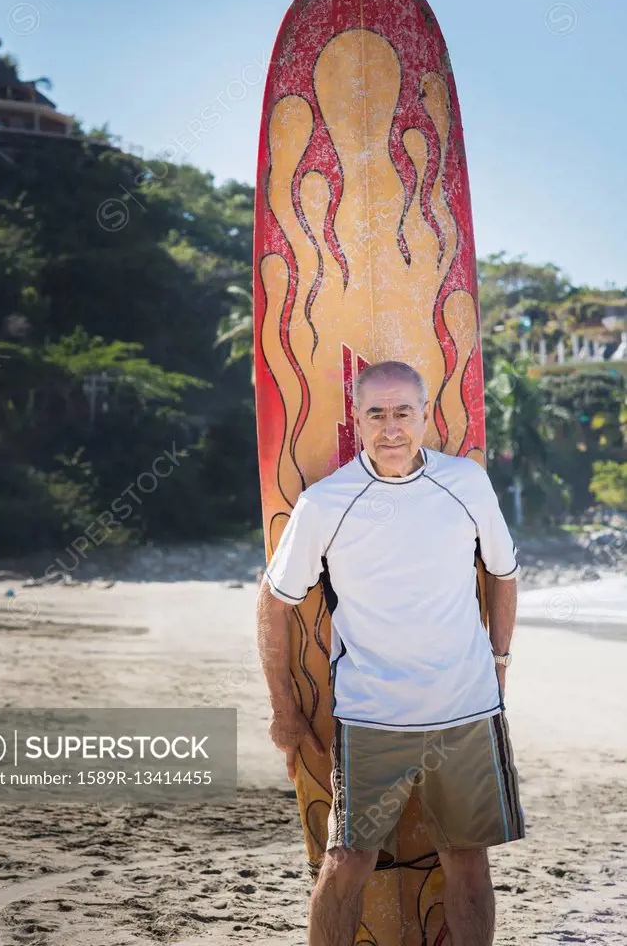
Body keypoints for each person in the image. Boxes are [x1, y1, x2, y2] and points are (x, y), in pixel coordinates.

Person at [256, 360, 524, 946]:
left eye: (404, 411)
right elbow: (275, 600)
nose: (391, 427)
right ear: (357, 419)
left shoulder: (467, 483)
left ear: (425, 415)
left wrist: (499, 664)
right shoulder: (327, 503)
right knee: (347, 862)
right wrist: (284, 708)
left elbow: (503, 573)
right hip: (372, 716)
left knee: (469, 868)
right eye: (376, 413)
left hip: (466, 712)